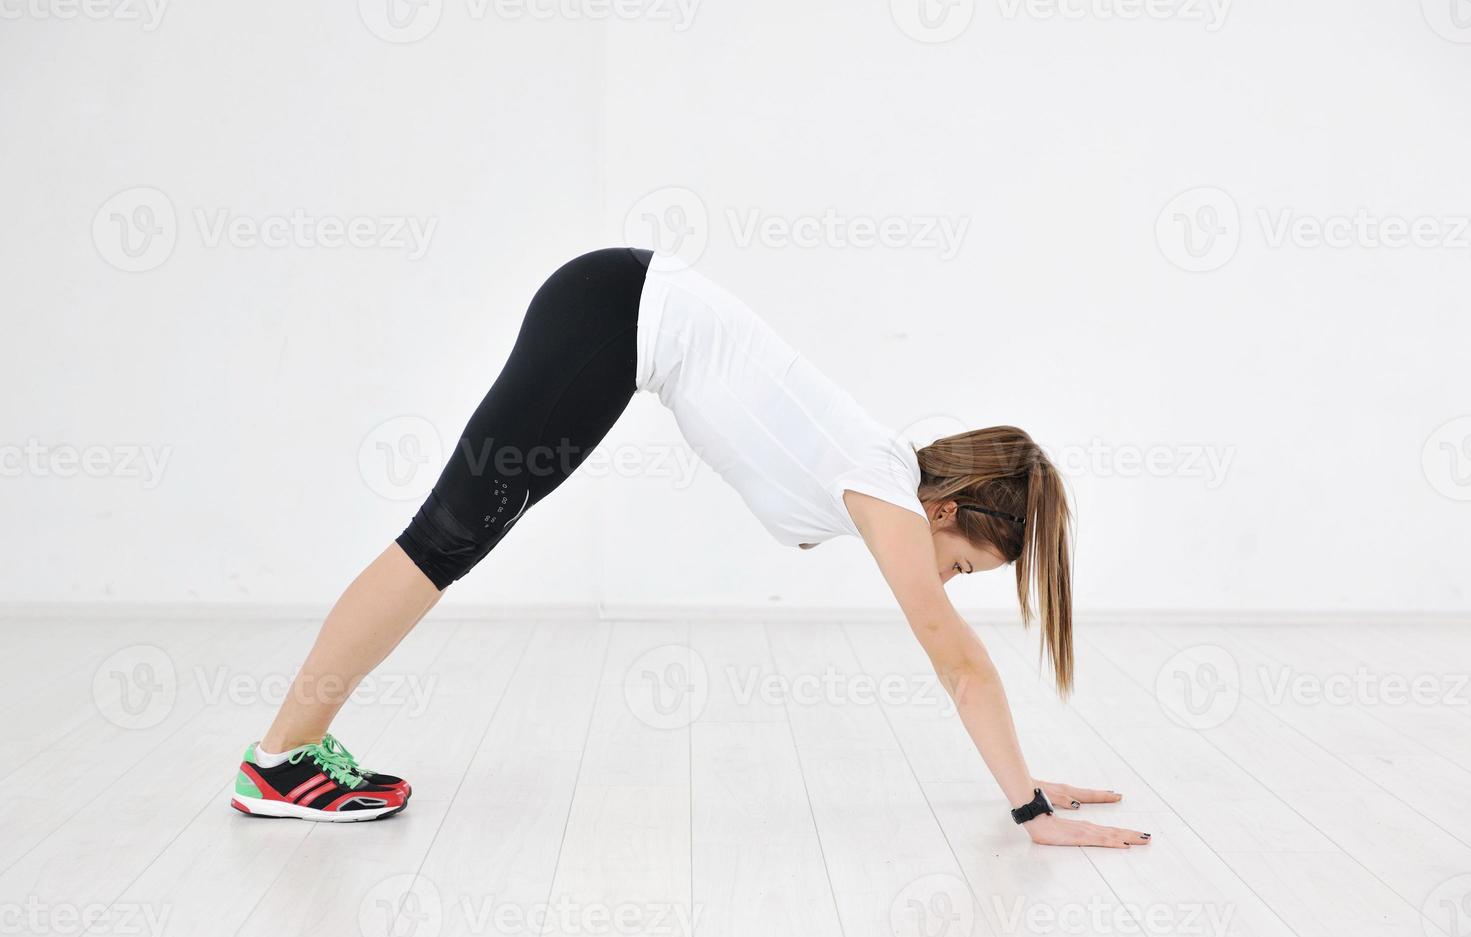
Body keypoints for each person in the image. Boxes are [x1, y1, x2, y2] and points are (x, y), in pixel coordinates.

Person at [229, 246, 1151, 848]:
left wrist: (1022, 775)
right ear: (945, 514)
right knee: (445, 539)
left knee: (451, 537)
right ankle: (281, 759)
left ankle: (293, 747)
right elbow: (956, 657)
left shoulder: (870, 473)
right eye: (964, 569)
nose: (945, 582)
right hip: (613, 314)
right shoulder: (886, 491)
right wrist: (1027, 806)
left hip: (612, 308)